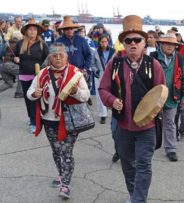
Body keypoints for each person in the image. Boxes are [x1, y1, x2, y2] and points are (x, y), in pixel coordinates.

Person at [98, 15, 166, 203]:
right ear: (123, 44)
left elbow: (162, 94)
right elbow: (102, 89)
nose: (133, 44)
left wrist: (151, 112)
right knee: (127, 164)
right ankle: (134, 195)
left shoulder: (155, 65)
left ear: (145, 43)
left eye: (138, 40)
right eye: (129, 40)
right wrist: (112, 100)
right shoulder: (115, 64)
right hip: (123, 126)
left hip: (147, 128)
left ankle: (138, 200)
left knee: (143, 164)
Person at [27, 42, 90, 199]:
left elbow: (86, 96)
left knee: (66, 152)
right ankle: (62, 174)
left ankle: (65, 185)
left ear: (66, 57)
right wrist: (35, 94)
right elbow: (29, 93)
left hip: (69, 120)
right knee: (56, 151)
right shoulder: (41, 73)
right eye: (54, 56)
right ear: (49, 58)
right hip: (48, 120)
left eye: (61, 55)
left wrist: (75, 91)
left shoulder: (76, 74)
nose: (58, 59)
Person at [151, 32, 184, 162]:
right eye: (167, 43)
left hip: (172, 96)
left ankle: (171, 149)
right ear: (161, 44)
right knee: (151, 123)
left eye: (173, 44)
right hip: (154, 96)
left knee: (170, 123)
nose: (170, 46)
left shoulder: (180, 59)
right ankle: (148, 146)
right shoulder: (152, 57)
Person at [13, 18, 49, 133]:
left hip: (37, 77)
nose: (32, 32)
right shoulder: (20, 44)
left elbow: (47, 59)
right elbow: (14, 57)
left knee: (34, 99)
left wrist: (43, 71)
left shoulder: (42, 44)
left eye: (34, 29)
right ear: (26, 31)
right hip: (24, 75)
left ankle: (34, 122)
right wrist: (15, 59)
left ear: (37, 31)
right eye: (30, 29)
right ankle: (31, 118)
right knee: (28, 100)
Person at [92, 34, 115, 124]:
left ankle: (114, 111)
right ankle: (102, 115)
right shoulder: (96, 52)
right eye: (102, 42)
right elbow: (92, 63)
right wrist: (96, 71)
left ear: (108, 42)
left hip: (111, 76)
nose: (104, 43)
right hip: (100, 75)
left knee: (113, 94)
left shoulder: (113, 51)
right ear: (99, 42)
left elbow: (117, 62)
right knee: (99, 96)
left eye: (105, 42)